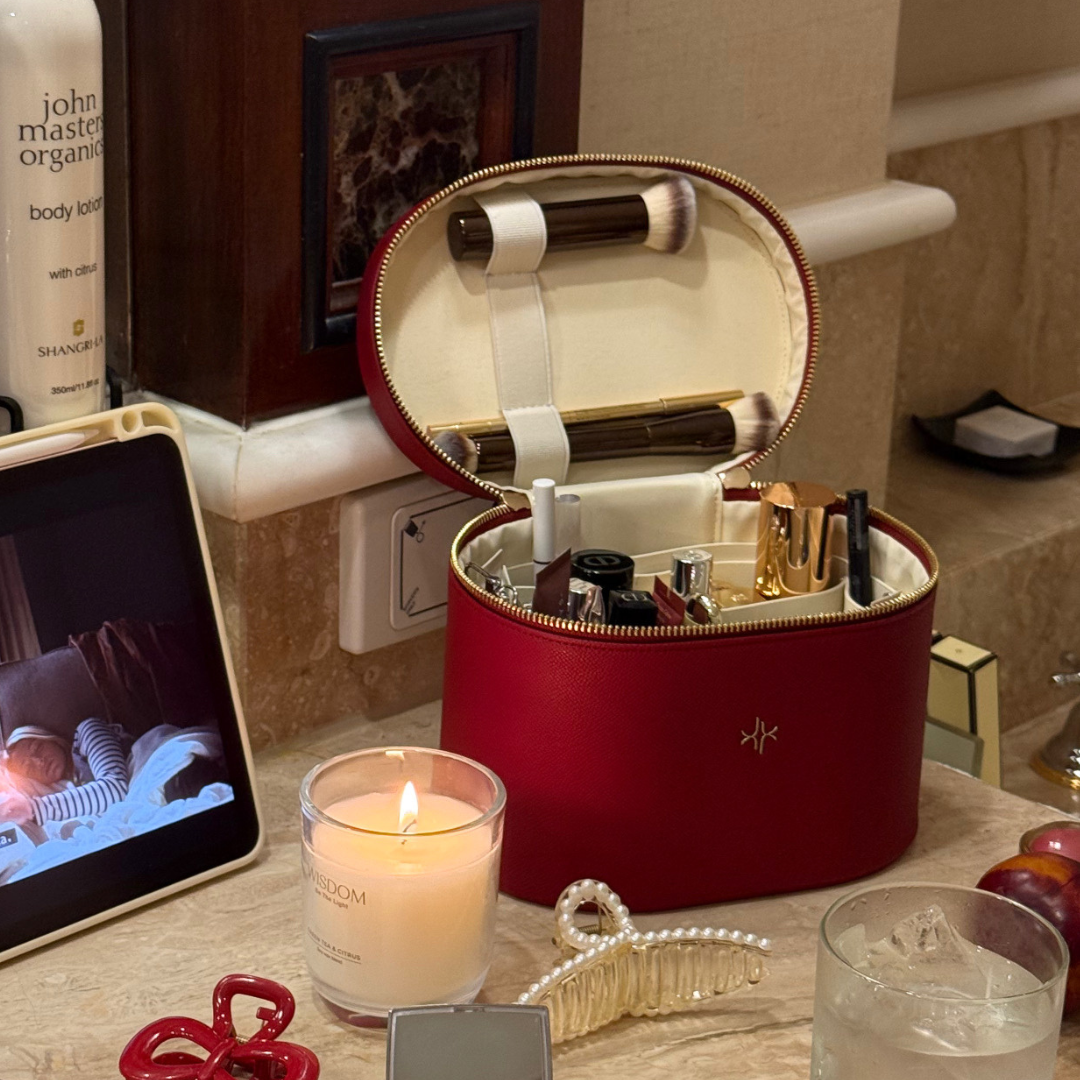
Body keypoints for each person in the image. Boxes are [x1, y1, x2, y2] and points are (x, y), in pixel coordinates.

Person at [0, 718, 130, 826]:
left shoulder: (89, 730)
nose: (39, 762)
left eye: (38, 748)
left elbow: (116, 789)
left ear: (51, 739)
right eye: (29, 768)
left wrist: (32, 810)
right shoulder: (65, 789)